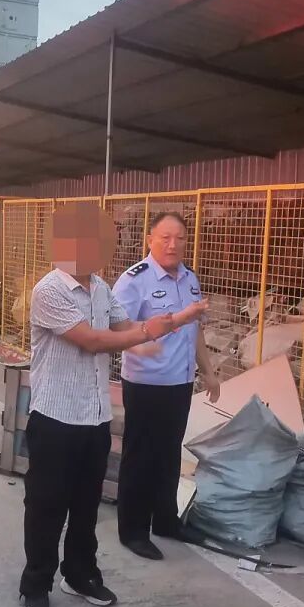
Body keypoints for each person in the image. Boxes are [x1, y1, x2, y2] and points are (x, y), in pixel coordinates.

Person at [19, 202, 208, 607]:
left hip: (95, 417)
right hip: (56, 417)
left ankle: (80, 574)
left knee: (86, 506)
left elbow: (124, 327)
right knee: (47, 506)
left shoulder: (102, 288)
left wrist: (158, 328)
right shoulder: (49, 290)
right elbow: (93, 340)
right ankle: (35, 584)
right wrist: (149, 332)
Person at [112, 212, 221, 560]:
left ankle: (165, 520)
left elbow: (195, 329)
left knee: (169, 454)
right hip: (146, 382)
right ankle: (133, 530)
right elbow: (117, 329)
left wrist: (208, 371)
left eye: (180, 238)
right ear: (150, 240)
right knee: (140, 457)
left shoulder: (190, 279)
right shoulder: (134, 281)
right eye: (165, 238)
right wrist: (148, 340)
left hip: (179, 382)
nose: (173, 245)